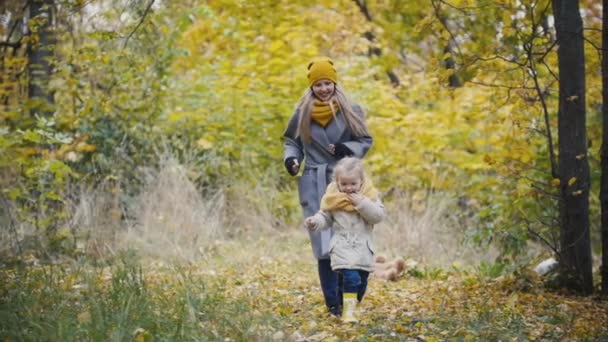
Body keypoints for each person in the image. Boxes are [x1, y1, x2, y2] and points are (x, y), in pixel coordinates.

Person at [282, 57, 373, 317]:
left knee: (348, 239)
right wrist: (292, 159)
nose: (323, 88)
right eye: (318, 84)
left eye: (327, 83)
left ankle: (351, 296)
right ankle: (333, 303)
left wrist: (348, 149)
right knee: (322, 243)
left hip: (347, 182)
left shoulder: (350, 109)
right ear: (311, 86)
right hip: (314, 178)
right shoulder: (302, 113)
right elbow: (291, 141)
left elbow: (365, 139)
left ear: (334, 83)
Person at [304, 157, 385, 323]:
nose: (348, 189)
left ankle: (343, 303)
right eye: (344, 184)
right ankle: (348, 314)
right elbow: (325, 216)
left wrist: (362, 203)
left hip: (363, 246)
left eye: (353, 184)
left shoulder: (369, 196)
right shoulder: (333, 197)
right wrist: (315, 222)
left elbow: (377, 216)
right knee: (352, 278)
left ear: (361, 181)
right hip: (342, 245)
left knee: (361, 283)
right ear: (337, 182)